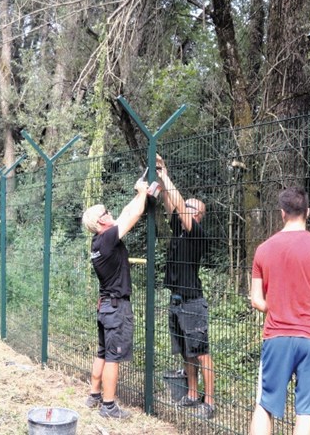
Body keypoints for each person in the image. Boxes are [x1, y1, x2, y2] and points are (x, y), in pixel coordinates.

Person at [249, 186, 310, 435]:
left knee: (264, 405)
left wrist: (279, 304)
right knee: (306, 411)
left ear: (282, 213)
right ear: (308, 212)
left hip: (277, 337)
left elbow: (256, 300)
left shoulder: (263, 250)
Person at [81, 176, 148, 419]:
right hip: (116, 308)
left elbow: (124, 213)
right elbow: (133, 215)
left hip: (105, 307)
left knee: (102, 352)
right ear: (101, 220)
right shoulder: (108, 238)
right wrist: (142, 193)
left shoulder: (98, 241)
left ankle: (94, 395)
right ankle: (108, 406)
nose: (111, 213)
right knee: (113, 357)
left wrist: (138, 193)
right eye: (107, 212)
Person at [155, 154, 216, 420]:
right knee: (186, 353)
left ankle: (209, 401)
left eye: (188, 207)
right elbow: (171, 205)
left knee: (201, 353)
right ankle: (192, 395)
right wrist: (162, 174)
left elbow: (178, 205)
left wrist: (167, 178)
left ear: (198, 215)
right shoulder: (180, 228)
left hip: (192, 302)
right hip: (176, 300)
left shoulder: (196, 232)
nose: (183, 209)